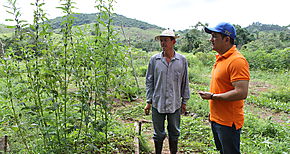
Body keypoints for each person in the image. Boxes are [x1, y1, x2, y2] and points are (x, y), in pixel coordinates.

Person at [198, 22, 250, 154]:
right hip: (217, 118)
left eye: (215, 36)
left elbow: (241, 92)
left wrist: (213, 97)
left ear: (227, 40)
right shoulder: (221, 58)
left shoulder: (237, 61)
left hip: (228, 122)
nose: (211, 39)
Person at [144, 29, 190, 154]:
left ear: (173, 41)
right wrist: (149, 101)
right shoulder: (154, 60)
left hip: (175, 104)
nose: (163, 43)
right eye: (161, 40)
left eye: (166, 40)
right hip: (157, 103)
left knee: (174, 132)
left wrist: (184, 101)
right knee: (158, 134)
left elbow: (185, 82)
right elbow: (149, 81)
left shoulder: (182, 60)